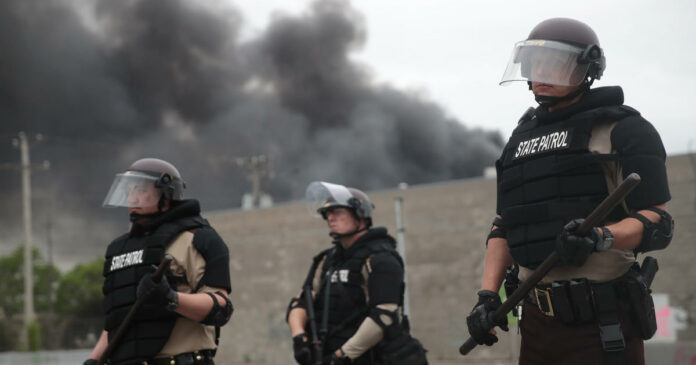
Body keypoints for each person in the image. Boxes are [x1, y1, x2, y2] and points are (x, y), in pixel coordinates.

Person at [466, 18, 674, 365]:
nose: (543, 72)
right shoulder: (518, 141)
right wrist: (487, 296)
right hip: (536, 325)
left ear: (586, 68)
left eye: (556, 62)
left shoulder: (625, 130)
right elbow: (505, 225)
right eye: (536, 63)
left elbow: (657, 221)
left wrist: (599, 237)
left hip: (603, 321)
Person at [84, 158, 233, 365]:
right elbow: (117, 317)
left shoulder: (197, 239)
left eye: (141, 190)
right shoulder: (119, 249)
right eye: (129, 190)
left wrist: (170, 298)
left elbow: (221, 309)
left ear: (166, 194)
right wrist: (94, 358)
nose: (132, 198)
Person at [286, 182, 428, 365]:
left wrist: (342, 356)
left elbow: (383, 316)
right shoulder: (326, 261)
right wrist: (299, 338)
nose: (330, 218)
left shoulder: (381, 259)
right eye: (327, 213)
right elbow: (300, 302)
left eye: (338, 212)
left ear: (360, 215)